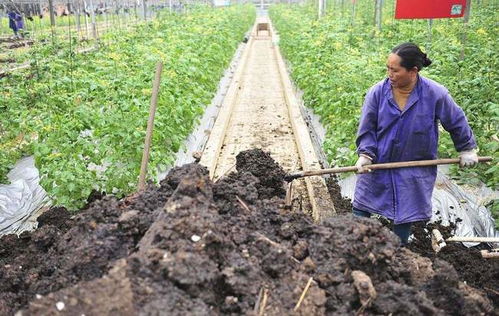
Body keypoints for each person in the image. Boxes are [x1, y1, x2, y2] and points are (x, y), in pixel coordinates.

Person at [353, 42, 478, 245]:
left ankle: (397, 255)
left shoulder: (435, 94)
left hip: (414, 167)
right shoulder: (377, 93)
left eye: (395, 70)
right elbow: (367, 128)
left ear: (413, 71)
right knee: (361, 207)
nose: (389, 74)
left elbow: (456, 121)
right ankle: (354, 247)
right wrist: (365, 155)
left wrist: (467, 149)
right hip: (379, 163)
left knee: (405, 214)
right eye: (388, 68)